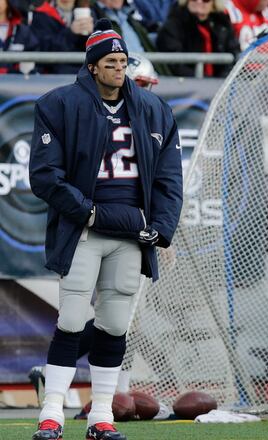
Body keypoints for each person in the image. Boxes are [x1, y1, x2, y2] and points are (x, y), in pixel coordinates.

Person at [28, 19, 183, 440]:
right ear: (93, 66)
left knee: (114, 325)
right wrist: (89, 212)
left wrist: (161, 228)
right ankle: (52, 415)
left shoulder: (153, 110)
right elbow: (44, 176)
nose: (120, 68)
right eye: (111, 62)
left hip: (131, 233)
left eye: (123, 61)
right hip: (85, 228)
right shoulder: (59, 104)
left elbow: (170, 179)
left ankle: (101, 417)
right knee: (74, 318)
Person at [156, 0, 240, 77]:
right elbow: (174, 64)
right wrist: (205, 82)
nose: (199, 1)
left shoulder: (222, 24)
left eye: (205, 0)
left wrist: (221, 81)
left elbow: (234, 54)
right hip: (185, 86)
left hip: (221, 86)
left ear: (213, 3)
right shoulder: (173, 25)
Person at [31, 0, 95, 74]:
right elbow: (43, 49)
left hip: (85, 71)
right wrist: (71, 32)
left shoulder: (88, 13)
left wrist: (92, 34)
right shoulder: (42, 15)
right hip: (54, 74)